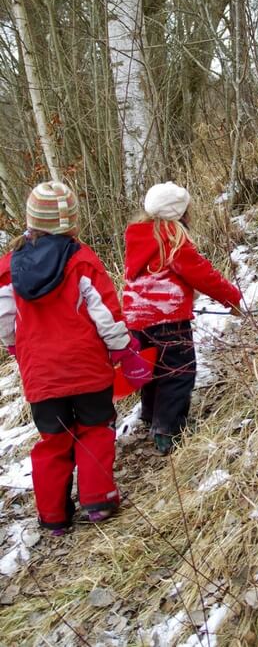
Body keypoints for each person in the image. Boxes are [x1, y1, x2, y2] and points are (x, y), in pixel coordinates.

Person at [0, 182, 146, 534]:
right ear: (71, 223)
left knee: (54, 440)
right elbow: (105, 313)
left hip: (42, 375)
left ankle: (54, 517)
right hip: (87, 366)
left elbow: (4, 318)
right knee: (95, 429)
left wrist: (13, 345)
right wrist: (123, 349)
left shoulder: (10, 265)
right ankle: (98, 501)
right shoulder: (80, 259)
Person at [122, 182, 244, 456]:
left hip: (136, 320)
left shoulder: (138, 237)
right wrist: (232, 299)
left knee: (153, 370)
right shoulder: (171, 239)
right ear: (180, 213)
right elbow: (203, 274)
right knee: (178, 373)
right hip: (168, 320)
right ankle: (168, 431)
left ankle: (151, 416)